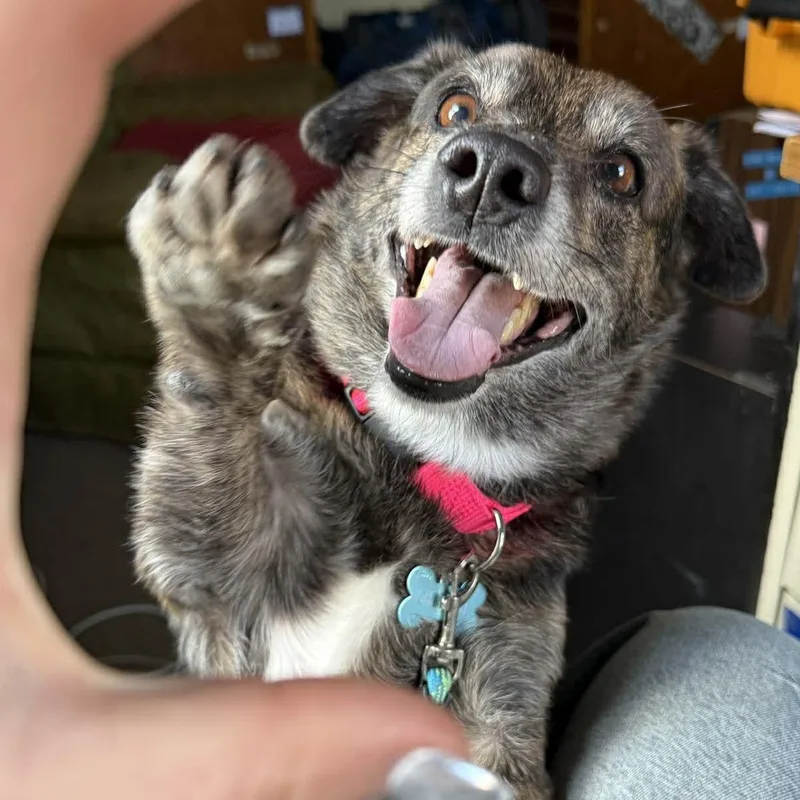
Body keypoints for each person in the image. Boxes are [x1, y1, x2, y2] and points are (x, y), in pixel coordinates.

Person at [0, 2, 797, 798]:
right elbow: (198, 574)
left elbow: (505, 770)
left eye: (618, 174)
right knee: (736, 663)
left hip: (508, 537)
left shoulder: (522, 578)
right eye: (458, 115)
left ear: (668, 264)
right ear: (383, 142)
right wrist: (212, 346)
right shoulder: (269, 417)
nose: (494, 166)